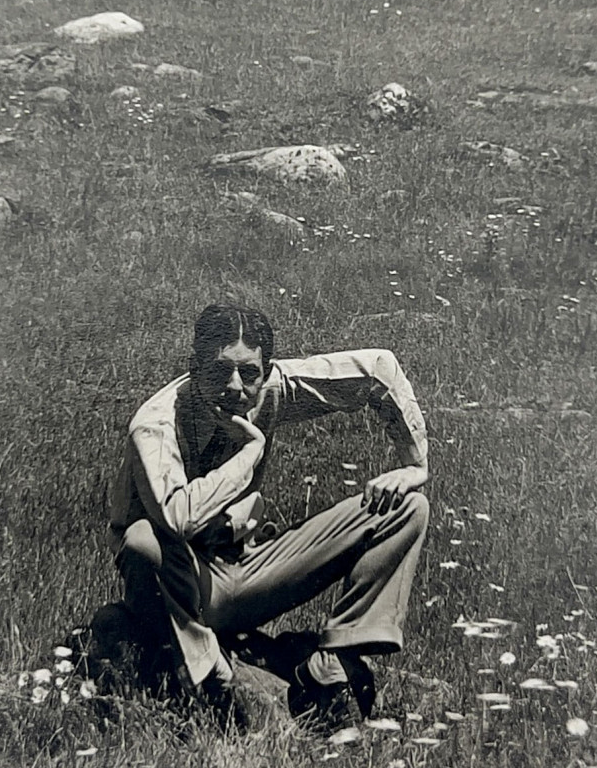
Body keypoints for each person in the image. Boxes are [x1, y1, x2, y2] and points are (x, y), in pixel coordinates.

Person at [105, 303, 431, 726]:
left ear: (267, 370)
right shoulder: (155, 423)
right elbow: (177, 517)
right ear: (194, 367)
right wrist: (250, 452)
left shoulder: (273, 389)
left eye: (249, 373)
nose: (235, 387)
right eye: (219, 372)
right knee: (143, 540)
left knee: (406, 507)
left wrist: (414, 465)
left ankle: (333, 662)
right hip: (178, 589)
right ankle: (209, 674)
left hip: (245, 566)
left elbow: (378, 369)